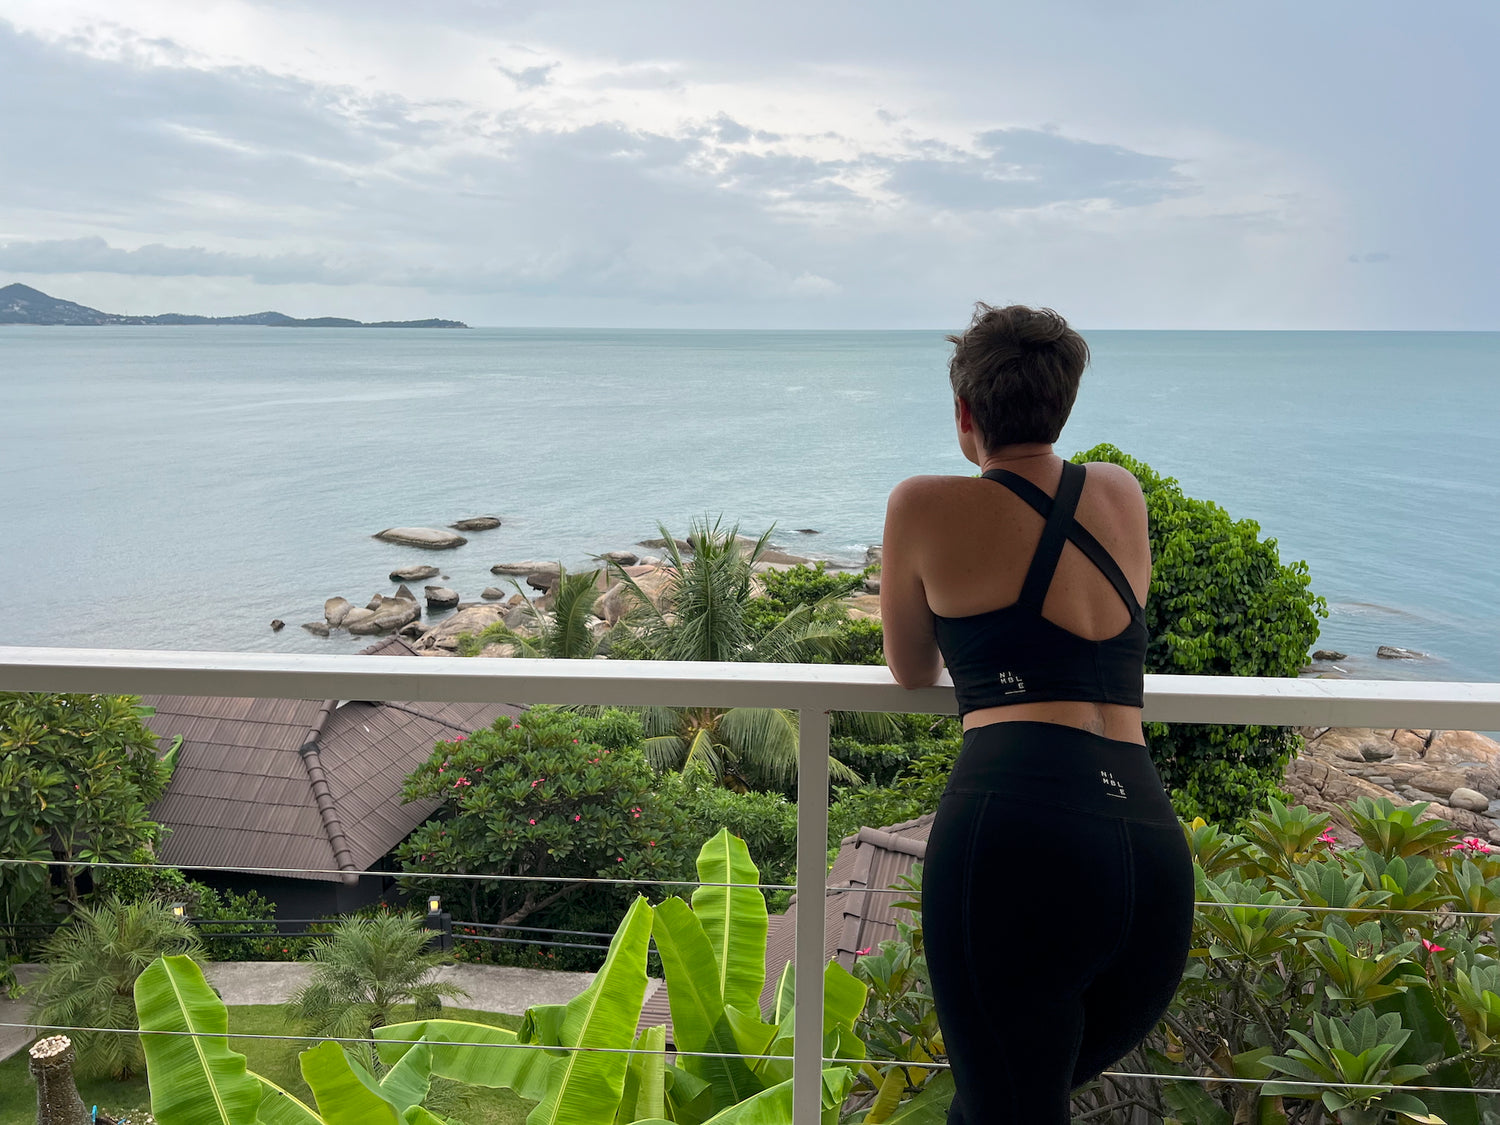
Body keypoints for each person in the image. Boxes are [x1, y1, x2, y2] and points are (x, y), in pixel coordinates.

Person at [880, 303, 1194, 1123]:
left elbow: (911, 668)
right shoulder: (1121, 493)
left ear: (964, 413)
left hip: (1017, 828)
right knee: (1026, 1097)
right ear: (1065, 404)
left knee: (1000, 1104)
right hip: (1149, 848)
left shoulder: (921, 504)